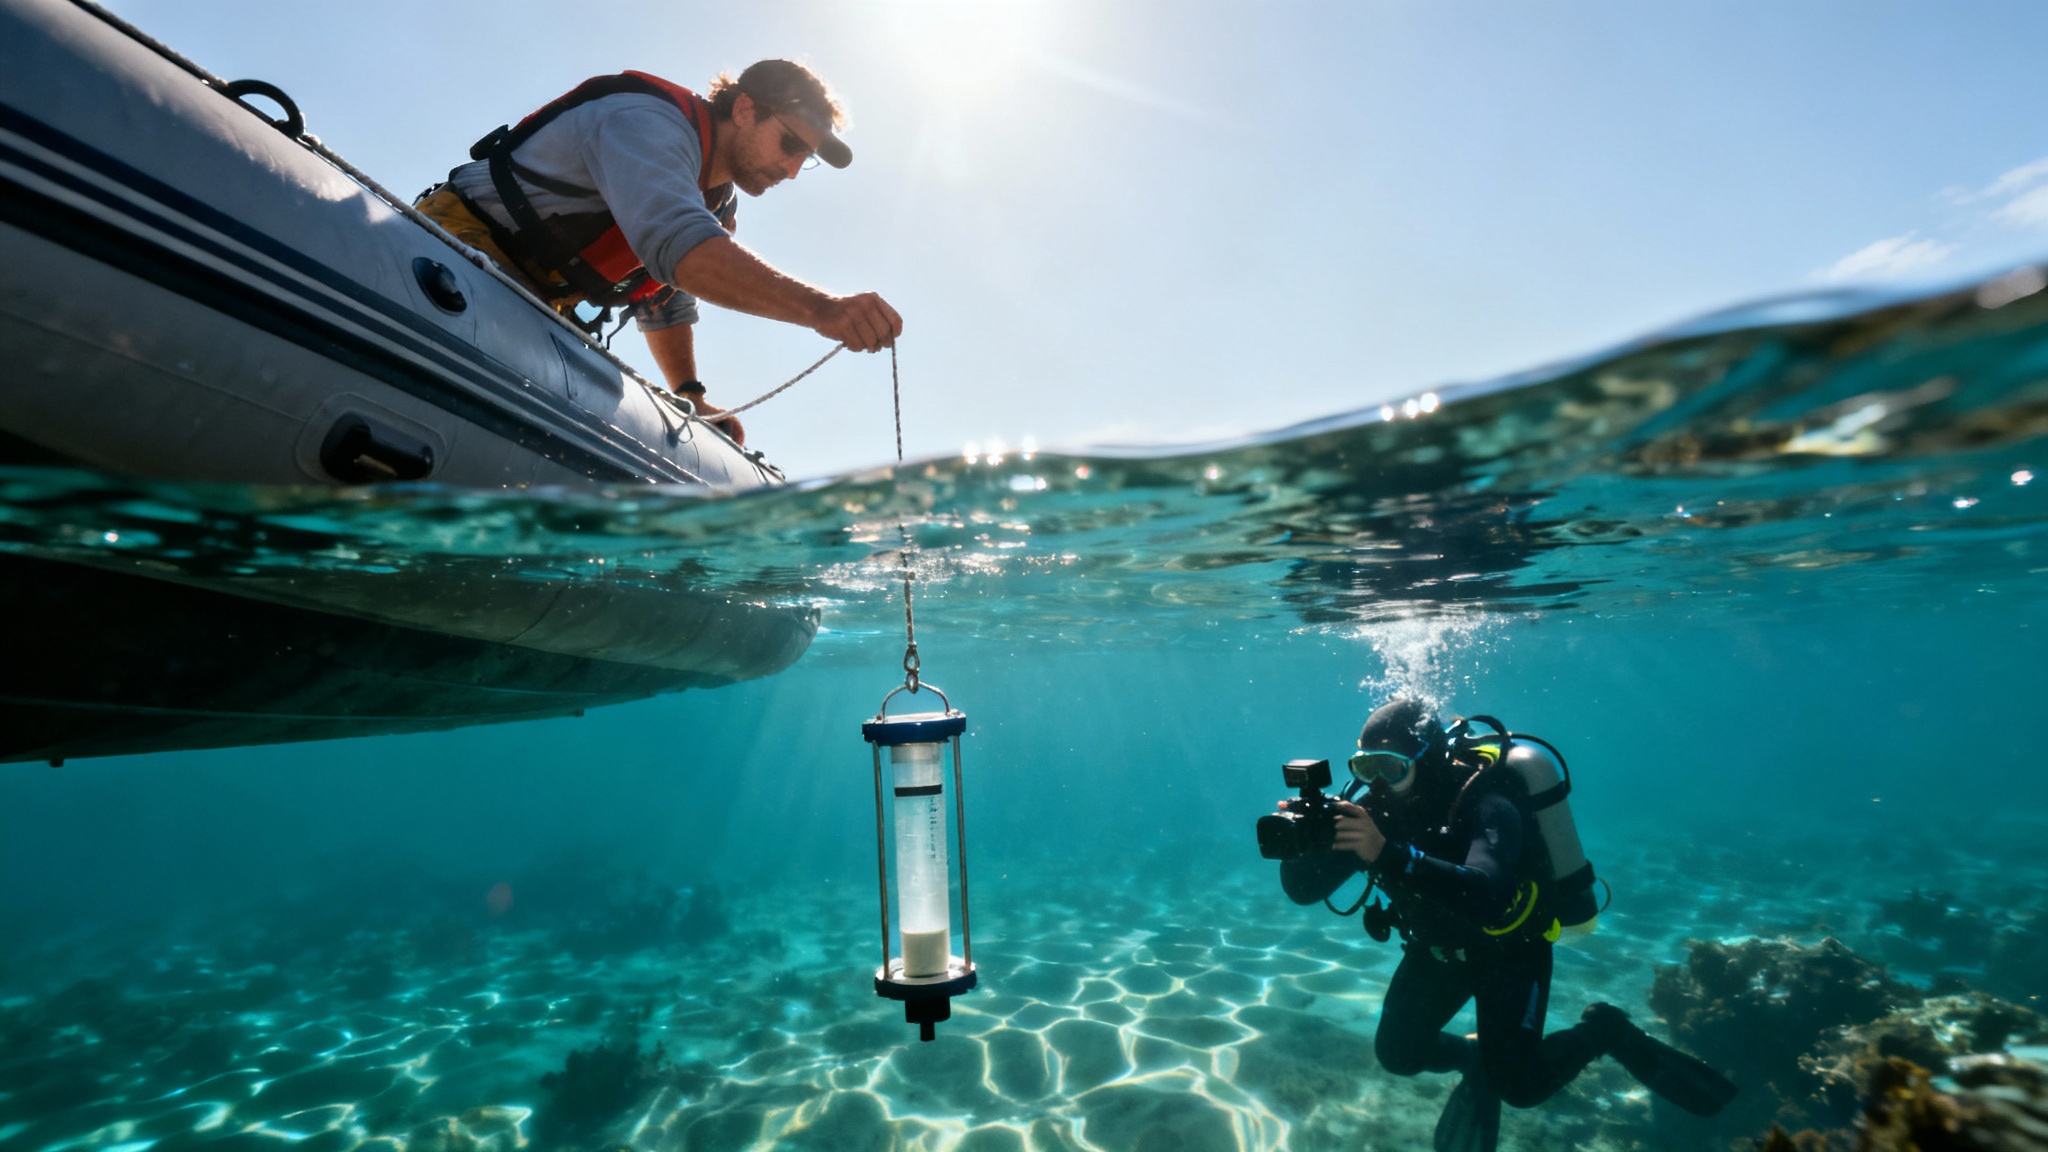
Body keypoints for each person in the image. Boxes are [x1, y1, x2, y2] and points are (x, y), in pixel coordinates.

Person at [1278, 698, 1737, 1152]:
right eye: (1366, 768)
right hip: (1436, 952)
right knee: (1398, 1054)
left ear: (1426, 758)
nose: (1377, 784)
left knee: (1520, 1087)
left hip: (1509, 953)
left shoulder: (1487, 801)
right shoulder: (1376, 813)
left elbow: (1488, 896)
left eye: (1392, 768)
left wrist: (1388, 855)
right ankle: (1474, 1057)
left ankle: (1604, 1031)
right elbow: (1302, 890)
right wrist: (1303, 840)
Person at [415, 59, 903, 444]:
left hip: (534, 299)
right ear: (745, 109)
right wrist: (823, 309)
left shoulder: (716, 202)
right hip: (460, 245)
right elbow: (678, 245)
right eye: (790, 143)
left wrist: (690, 393)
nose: (793, 170)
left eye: (806, 158)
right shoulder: (648, 124)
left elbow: (664, 294)